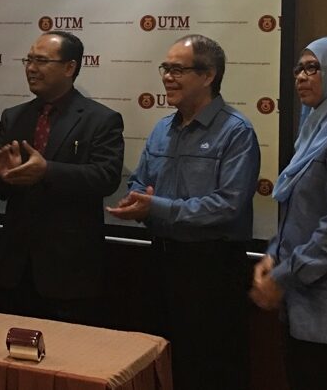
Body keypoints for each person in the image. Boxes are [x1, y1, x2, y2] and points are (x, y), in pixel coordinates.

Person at [108, 34, 259, 390]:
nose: (167, 77)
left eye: (177, 70)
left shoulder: (236, 132)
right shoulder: (163, 128)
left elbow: (228, 205)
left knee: (207, 367)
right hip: (159, 260)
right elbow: (140, 182)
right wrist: (135, 203)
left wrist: (156, 206)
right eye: (165, 68)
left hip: (212, 267)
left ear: (208, 75)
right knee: (157, 360)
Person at [249, 37, 327, 390]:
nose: (301, 76)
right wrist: (273, 254)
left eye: (313, 68)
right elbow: (300, 212)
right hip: (305, 306)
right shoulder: (317, 129)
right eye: (299, 68)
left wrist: (282, 276)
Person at [0, 30, 123, 325]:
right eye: (29, 60)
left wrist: (47, 170)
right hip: (14, 265)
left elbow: (106, 176)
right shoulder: (14, 116)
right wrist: (5, 175)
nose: (31, 68)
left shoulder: (100, 119)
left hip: (68, 268)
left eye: (42, 61)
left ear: (70, 67)